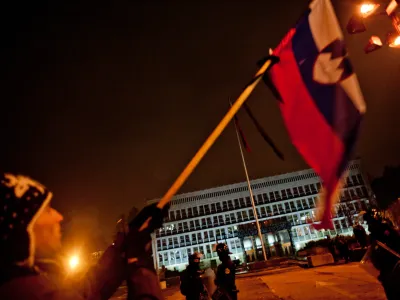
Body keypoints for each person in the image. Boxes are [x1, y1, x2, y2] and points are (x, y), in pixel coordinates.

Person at [0, 172, 166, 299]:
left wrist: (123, 247)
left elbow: (86, 291)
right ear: (23, 229)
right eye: (47, 210)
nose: (59, 216)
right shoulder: (34, 294)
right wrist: (139, 264)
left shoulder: (29, 284)